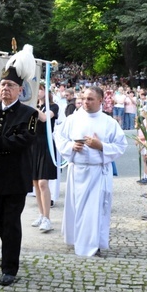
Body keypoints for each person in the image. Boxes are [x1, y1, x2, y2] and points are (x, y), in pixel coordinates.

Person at [0, 45, 38, 286]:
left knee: (12, 222)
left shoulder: (29, 114)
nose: (5, 89)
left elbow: (25, 141)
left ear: (20, 90)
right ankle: (8, 252)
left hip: (15, 178)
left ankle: (9, 268)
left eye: (10, 86)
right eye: (3, 85)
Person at [55, 87, 127, 257]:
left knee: (94, 211)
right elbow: (59, 137)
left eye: (90, 99)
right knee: (76, 208)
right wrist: (71, 146)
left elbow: (121, 145)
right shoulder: (73, 119)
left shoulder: (109, 122)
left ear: (101, 100)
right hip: (77, 170)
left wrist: (101, 146)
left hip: (97, 173)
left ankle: (93, 245)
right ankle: (76, 239)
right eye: (85, 98)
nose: (86, 102)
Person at [31, 84, 58, 233]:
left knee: (42, 182)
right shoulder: (35, 106)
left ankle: (47, 217)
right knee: (35, 182)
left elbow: (44, 118)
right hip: (33, 145)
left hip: (46, 143)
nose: (38, 92)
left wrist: (30, 106)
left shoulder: (54, 107)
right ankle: (41, 214)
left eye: (40, 89)